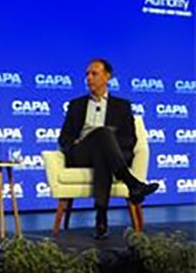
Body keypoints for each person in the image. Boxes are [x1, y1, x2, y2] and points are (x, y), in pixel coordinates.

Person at [58, 59, 159, 239]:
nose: (89, 78)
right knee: (102, 135)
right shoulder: (76, 105)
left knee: (103, 149)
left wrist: (110, 145)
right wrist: (74, 145)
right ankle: (132, 183)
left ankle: (101, 217)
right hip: (82, 153)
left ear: (107, 77)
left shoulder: (122, 105)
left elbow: (130, 138)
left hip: (109, 155)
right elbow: (64, 138)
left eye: (94, 74)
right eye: (87, 74)